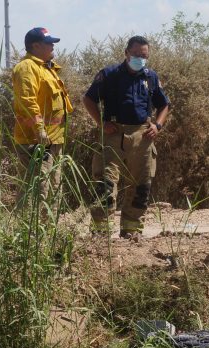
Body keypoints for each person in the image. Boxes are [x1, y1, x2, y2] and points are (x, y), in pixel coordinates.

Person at [82, 36, 171, 239]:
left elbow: (164, 104)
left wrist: (158, 125)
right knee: (105, 183)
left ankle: (131, 231)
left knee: (141, 185)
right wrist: (101, 123)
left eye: (144, 55)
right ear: (126, 53)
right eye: (136, 54)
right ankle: (100, 233)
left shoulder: (151, 77)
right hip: (113, 134)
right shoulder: (109, 74)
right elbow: (88, 99)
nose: (140, 58)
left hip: (142, 134)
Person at [11, 27, 73, 210]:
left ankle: (48, 232)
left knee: (52, 189)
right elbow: (27, 101)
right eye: (49, 43)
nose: (53, 46)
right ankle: (30, 235)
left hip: (52, 140)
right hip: (35, 141)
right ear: (36, 46)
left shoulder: (46, 68)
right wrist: (39, 130)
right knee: (37, 190)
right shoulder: (27, 68)